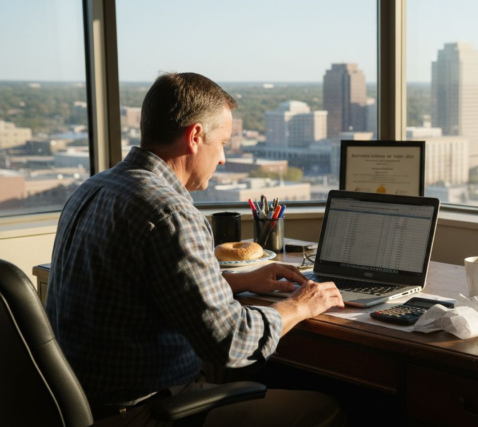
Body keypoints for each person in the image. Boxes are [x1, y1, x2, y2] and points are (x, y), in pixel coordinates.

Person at [45, 72, 346, 426]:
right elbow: (230, 342)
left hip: (76, 405)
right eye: (223, 143)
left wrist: (240, 281)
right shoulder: (171, 212)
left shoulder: (93, 188)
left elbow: (141, 286)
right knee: (327, 407)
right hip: (145, 410)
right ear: (195, 137)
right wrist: (298, 306)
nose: (222, 159)